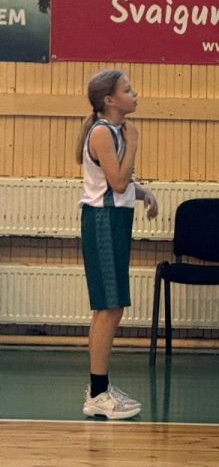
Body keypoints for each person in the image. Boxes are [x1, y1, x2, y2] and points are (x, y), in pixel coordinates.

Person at [77, 70, 157, 420]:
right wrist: (134, 142)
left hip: (115, 219)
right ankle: (97, 393)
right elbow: (118, 181)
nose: (134, 94)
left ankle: (100, 386)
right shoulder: (102, 133)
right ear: (109, 100)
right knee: (109, 307)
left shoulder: (112, 131)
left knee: (110, 307)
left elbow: (120, 185)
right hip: (103, 220)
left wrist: (144, 193)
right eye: (127, 90)